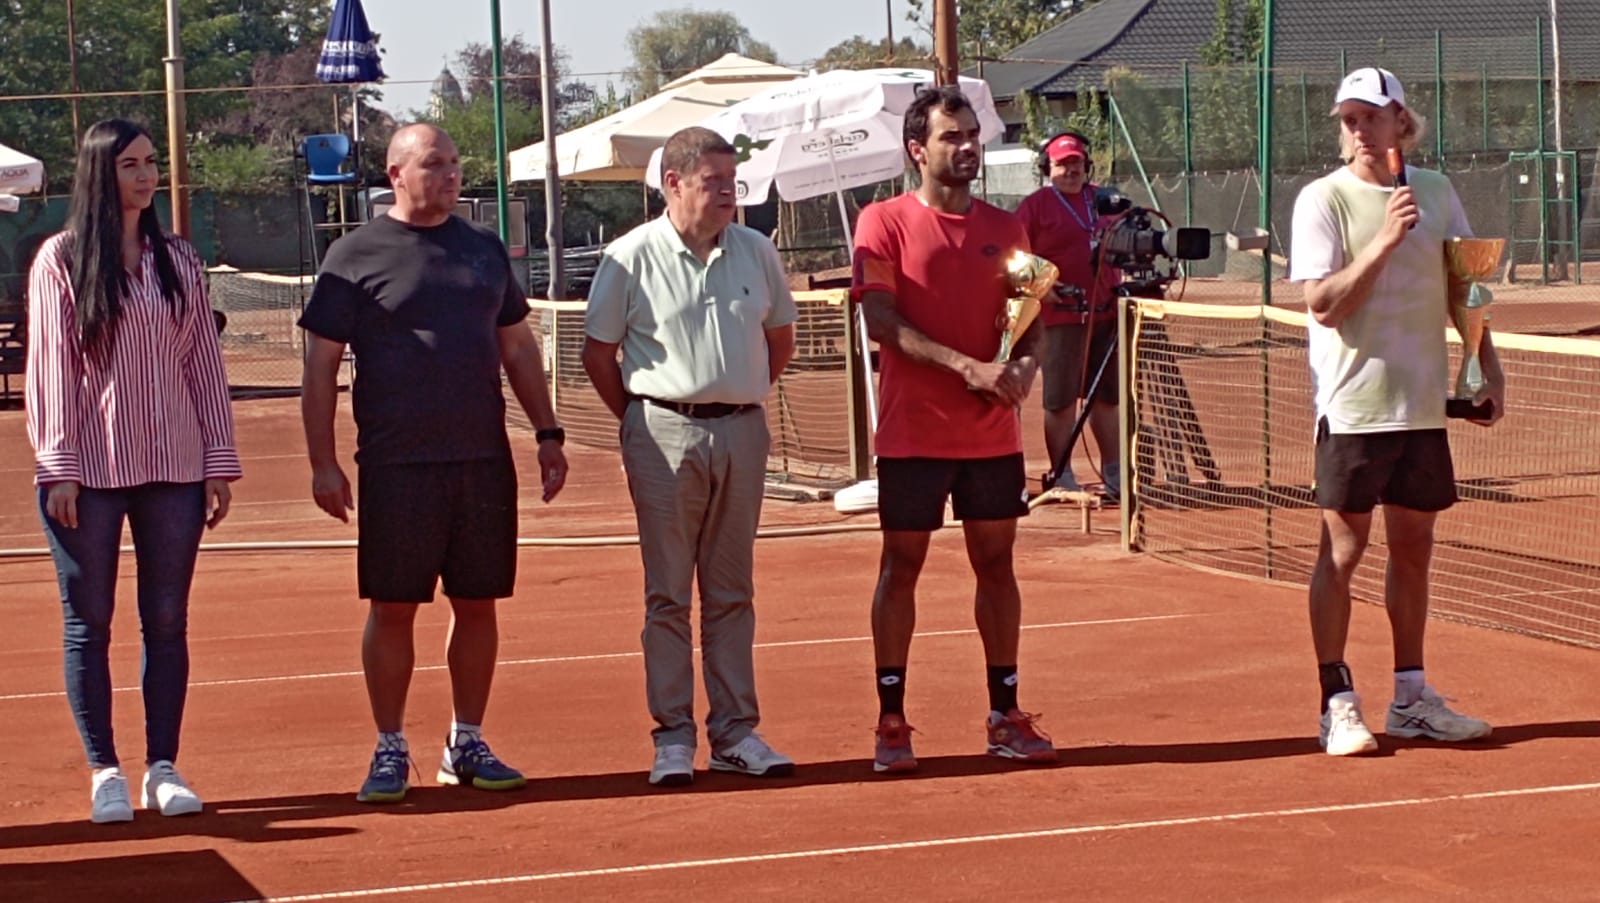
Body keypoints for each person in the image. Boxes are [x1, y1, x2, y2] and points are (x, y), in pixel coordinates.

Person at [299, 123, 569, 802]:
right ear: (396, 173)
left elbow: (517, 347)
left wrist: (548, 432)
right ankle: (390, 746)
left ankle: (466, 741)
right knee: (393, 607)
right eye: (434, 164)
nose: (450, 175)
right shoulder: (352, 255)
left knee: (477, 602)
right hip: (396, 464)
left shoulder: (482, 248)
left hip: (481, 459)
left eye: (454, 163)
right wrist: (323, 463)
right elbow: (320, 367)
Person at [26, 118, 240, 823]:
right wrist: (59, 464)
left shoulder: (177, 259)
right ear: (100, 172)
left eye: (151, 163)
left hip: (173, 466)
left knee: (167, 619)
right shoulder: (59, 260)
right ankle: (105, 771)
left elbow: (202, 362)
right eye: (131, 165)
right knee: (89, 621)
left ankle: (162, 767)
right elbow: (50, 367)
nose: (147, 176)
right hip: (85, 474)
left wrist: (216, 459)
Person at [1290, 68, 1505, 756]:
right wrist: (1384, 240)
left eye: (1371, 117)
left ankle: (1411, 697)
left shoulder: (1436, 191)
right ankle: (1336, 702)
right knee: (1342, 552)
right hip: (1353, 406)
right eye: (1349, 119)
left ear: (1400, 123)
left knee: (1414, 548)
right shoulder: (1322, 199)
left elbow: (1465, 285)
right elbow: (1323, 304)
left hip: (1422, 407)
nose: (1358, 130)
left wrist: (1485, 364)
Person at [582, 126, 798, 787]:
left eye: (733, 181)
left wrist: (737, 393)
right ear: (673, 183)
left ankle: (735, 733)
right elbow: (598, 355)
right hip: (661, 434)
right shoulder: (629, 256)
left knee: (732, 592)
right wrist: (641, 421)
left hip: (743, 432)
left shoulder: (757, 251)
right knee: (668, 595)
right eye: (715, 181)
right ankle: (673, 736)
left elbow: (780, 340)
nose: (730, 193)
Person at [852, 86, 1058, 774]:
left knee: (997, 567)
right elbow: (881, 321)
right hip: (912, 435)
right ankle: (891, 720)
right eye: (952, 136)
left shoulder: (1010, 228)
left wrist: (1022, 366)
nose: (968, 146)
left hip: (991, 438)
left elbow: (1030, 321)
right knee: (901, 567)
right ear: (918, 149)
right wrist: (967, 367)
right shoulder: (881, 222)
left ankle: (1005, 713)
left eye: (973, 135)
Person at [1014, 131, 1122, 499]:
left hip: (1106, 313)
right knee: (1060, 399)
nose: (1070, 170)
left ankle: (1114, 472)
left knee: (1106, 397)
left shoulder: (1105, 200)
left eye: (1076, 162)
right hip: (1059, 318)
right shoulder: (1035, 206)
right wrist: (1042, 286)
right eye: (1062, 164)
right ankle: (1062, 474)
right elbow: (1013, 256)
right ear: (1048, 168)